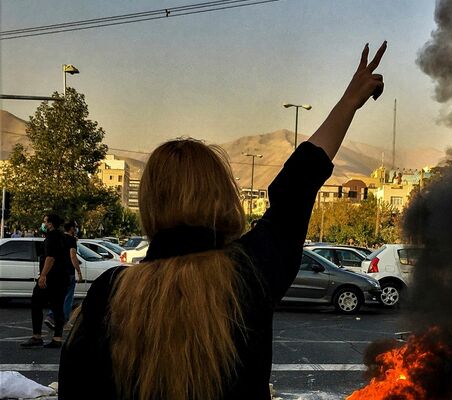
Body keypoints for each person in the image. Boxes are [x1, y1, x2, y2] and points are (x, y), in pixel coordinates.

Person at [59, 42, 387, 399]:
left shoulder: (110, 292)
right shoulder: (249, 272)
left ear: (151, 203)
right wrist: (349, 102)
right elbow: (298, 183)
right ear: (222, 195)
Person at [20, 214, 71, 348]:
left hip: (52, 278)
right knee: (58, 307)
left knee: (36, 303)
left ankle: (37, 336)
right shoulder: (63, 236)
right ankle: (57, 338)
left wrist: (43, 275)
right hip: (62, 278)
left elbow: (50, 258)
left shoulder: (51, 237)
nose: (43, 224)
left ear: (50, 224)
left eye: (45, 222)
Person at [45, 221, 82, 330]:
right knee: (68, 297)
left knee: (58, 296)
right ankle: (64, 322)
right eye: (75, 227)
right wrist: (78, 271)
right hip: (68, 272)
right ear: (71, 228)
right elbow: (72, 256)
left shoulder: (59, 238)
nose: (76, 229)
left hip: (57, 271)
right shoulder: (71, 240)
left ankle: (51, 316)